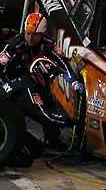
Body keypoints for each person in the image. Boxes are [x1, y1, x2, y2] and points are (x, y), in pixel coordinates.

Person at [0, 12, 83, 149]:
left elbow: (62, 63)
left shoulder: (49, 44)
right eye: (28, 33)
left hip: (32, 82)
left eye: (34, 35)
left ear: (42, 34)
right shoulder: (12, 47)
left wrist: (74, 82)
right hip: (11, 84)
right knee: (42, 111)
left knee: (47, 96)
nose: (30, 37)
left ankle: (52, 139)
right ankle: (67, 122)